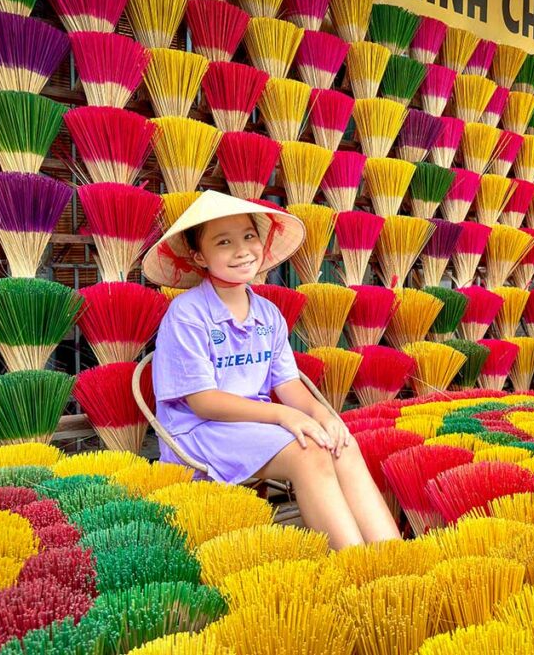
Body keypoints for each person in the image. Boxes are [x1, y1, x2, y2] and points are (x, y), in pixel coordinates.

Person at [142, 191, 400, 550]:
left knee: (340, 443)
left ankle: (395, 557)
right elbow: (202, 402)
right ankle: (357, 565)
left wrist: (322, 415)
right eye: (224, 242)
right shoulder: (187, 314)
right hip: (201, 431)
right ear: (200, 257)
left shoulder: (268, 314)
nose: (242, 250)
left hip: (255, 427)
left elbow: (288, 384)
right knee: (309, 454)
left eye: (249, 236)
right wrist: (283, 416)